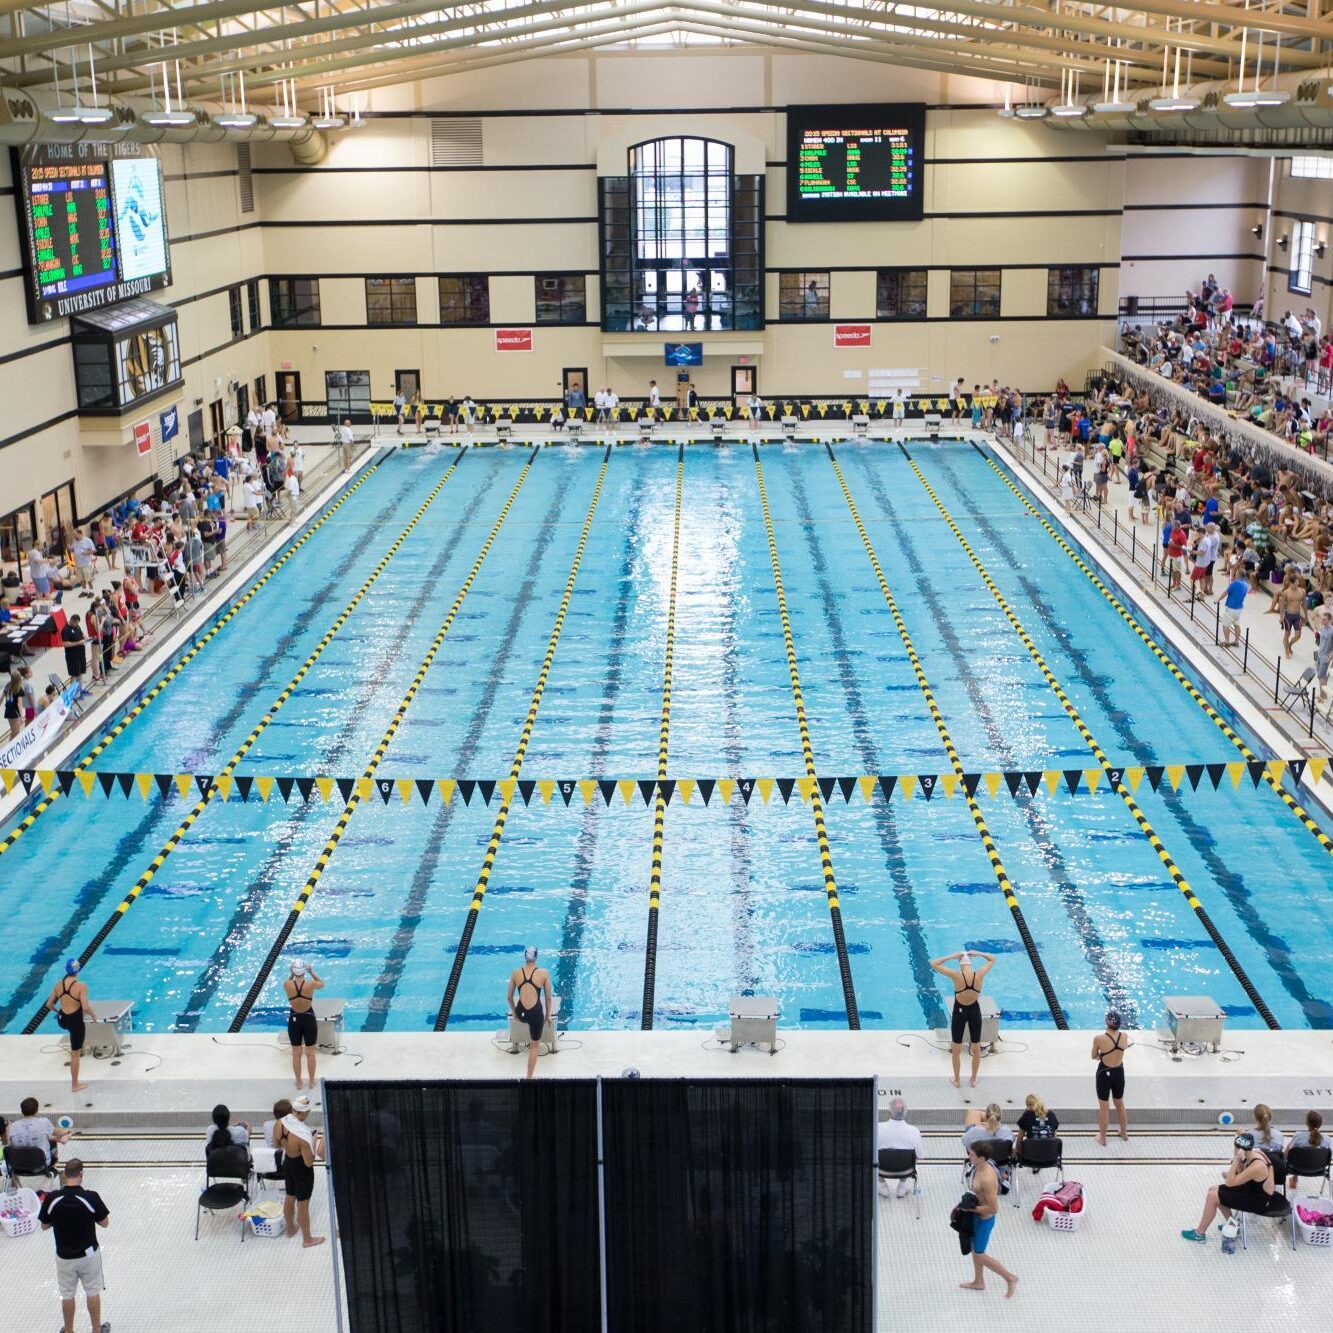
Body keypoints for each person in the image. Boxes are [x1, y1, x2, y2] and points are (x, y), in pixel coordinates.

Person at [39, 1159, 110, 1333]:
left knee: (67, 1294)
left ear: (64, 1175)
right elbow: (105, 1223)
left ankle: (69, 1330)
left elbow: (44, 1225)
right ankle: (96, 1330)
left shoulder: (53, 1198)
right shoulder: (90, 1197)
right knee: (92, 1291)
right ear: (81, 1175)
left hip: (64, 1256)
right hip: (88, 1255)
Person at [1182, 1132, 1283, 1241]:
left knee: (1213, 1196)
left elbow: (1229, 1182)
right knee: (1213, 1190)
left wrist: (1236, 1160)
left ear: (1239, 1149)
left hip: (1259, 1201)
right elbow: (1239, 1174)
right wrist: (1238, 1160)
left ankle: (1199, 1233)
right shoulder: (1254, 1154)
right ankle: (1233, 1226)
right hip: (1251, 1190)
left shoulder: (1257, 1166)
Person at [959, 1143, 1018, 1298]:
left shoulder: (987, 1178)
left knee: (979, 1254)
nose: (969, 1156)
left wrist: (971, 1209)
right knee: (974, 1249)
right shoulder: (977, 1167)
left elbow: (993, 1208)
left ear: (981, 1158)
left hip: (984, 1221)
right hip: (975, 1217)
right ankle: (979, 1282)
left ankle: (1010, 1278)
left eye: (971, 1154)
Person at [930, 950, 995, 1088]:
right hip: (974, 1011)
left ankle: (957, 1080)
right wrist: (978, 953)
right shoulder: (979, 974)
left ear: (960, 965)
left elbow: (934, 963)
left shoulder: (956, 976)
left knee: (956, 1048)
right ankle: (973, 1079)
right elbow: (992, 959)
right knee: (976, 1047)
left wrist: (951, 956)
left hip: (959, 1012)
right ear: (970, 965)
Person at [276, 1095, 325, 1248]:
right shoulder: (303, 1135)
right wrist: (314, 1140)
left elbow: (277, 1143)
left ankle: (290, 1229)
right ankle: (307, 1239)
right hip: (301, 1169)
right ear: (304, 1112)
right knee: (303, 1204)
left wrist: (289, 1147)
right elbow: (309, 1162)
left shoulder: (280, 1122)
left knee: (289, 1197)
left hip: (288, 1162)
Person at [46, 960, 94, 1092]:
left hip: (63, 1020)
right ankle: (75, 1085)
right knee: (75, 1054)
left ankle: (75, 1082)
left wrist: (59, 1012)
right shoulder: (81, 986)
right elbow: (85, 1007)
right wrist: (93, 1016)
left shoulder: (58, 984)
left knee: (73, 1036)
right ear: (77, 970)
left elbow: (49, 1005)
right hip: (75, 1022)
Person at [508, 946, 552, 1080]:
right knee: (534, 1047)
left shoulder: (516, 973)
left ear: (524, 957)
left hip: (521, 1013)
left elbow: (509, 998)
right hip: (535, 1015)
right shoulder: (544, 973)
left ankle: (519, 1041)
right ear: (536, 957)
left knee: (523, 1019)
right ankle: (529, 1078)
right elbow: (548, 998)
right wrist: (548, 1016)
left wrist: (515, 1014)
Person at [1091, 1010, 1130, 1145]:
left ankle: (1103, 1138)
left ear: (1107, 1022)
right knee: (1120, 1104)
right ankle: (1124, 1133)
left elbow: (1094, 1056)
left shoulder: (1099, 1039)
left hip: (1104, 1073)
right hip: (1119, 1072)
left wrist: (1101, 1055)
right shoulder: (1124, 1036)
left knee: (1104, 1107)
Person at [284, 959, 324, 1090]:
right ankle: (312, 1081)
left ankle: (299, 1081)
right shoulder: (310, 985)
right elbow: (322, 984)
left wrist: (291, 974)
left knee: (296, 1053)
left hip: (294, 1019)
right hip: (308, 1018)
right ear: (303, 971)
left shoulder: (287, 984)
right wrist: (312, 972)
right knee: (311, 1052)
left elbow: (289, 981)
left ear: (293, 971)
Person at [876, 1096, 924, 1198]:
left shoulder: (878, 1128)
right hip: (906, 1169)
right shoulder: (914, 1131)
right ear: (905, 1113)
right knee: (914, 1153)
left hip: (881, 1169)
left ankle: (882, 1184)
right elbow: (920, 1156)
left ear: (889, 1112)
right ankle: (902, 1185)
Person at [7, 1095, 71, 1165]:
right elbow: (57, 1132)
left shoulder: (13, 1126)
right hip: (41, 1164)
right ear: (37, 1110)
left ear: (22, 1111)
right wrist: (67, 1131)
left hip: (18, 1165)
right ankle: (52, 1168)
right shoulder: (44, 1122)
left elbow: (10, 1145)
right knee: (53, 1141)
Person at [1286, 1110, 1325, 1190]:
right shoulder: (1326, 1139)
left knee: (1296, 1154)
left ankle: (1294, 1178)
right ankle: (1294, 1178)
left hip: (1297, 1168)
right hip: (1319, 1169)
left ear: (1307, 1123)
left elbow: (1287, 1155)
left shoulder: (1298, 1136)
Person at [1217, 568, 1249, 647]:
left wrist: (1218, 599)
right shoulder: (1246, 585)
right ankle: (1236, 641)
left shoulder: (1235, 583)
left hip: (1231, 607)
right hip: (1239, 608)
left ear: (1238, 574)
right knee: (1236, 624)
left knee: (1225, 624)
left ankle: (1227, 641)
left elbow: (1225, 593)